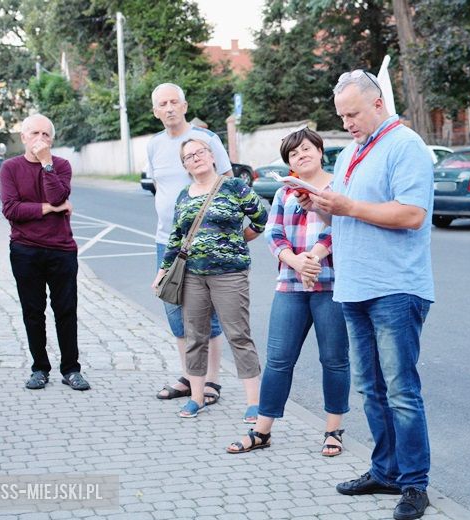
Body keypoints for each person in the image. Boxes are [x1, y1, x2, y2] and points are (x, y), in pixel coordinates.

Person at [298, 70, 435, 520]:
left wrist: (347, 206)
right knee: (371, 389)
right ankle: (385, 470)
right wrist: (318, 203)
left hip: (395, 287)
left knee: (400, 390)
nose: (347, 123)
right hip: (353, 286)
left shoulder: (405, 145)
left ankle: (415, 484)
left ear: (378, 104)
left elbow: (412, 214)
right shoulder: (352, 151)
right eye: (341, 116)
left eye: (353, 114)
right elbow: (346, 212)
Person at [226, 128, 350, 456]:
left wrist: (315, 257)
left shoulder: (340, 187)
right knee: (279, 359)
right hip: (291, 286)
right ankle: (262, 430)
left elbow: (344, 227)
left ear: (320, 151)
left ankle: (334, 430)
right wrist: (297, 261)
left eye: (306, 149)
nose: (301, 156)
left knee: (334, 360)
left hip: (333, 286)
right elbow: (273, 232)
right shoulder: (285, 193)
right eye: (294, 154)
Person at [152, 138, 267, 421]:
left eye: (200, 152)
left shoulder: (234, 187)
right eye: (189, 156)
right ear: (185, 165)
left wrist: (238, 240)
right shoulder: (184, 195)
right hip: (192, 276)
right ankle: (196, 397)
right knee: (195, 337)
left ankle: (254, 402)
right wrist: (163, 270)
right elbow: (177, 237)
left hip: (230, 275)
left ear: (212, 156)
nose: (196, 158)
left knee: (238, 335)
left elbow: (260, 218)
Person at [147, 83, 230, 405]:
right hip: (165, 240)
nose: (168, 108)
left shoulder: (207, 140)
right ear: (155, 111)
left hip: (203, 240)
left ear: (184, 105)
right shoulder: (153, 146)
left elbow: (225, 181)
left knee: (206, 314)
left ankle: (212, 381)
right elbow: (159, 187)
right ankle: (189, 376)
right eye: (162, 104)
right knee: (174, 310)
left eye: (173, 102)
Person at [0, 114, 90, 391]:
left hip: (61, 250)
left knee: (66, 310)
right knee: (33, 311)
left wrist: (46, 164)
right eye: (34, 133)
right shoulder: (10, 168)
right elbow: (11, 209)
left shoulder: (60, 165)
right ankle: (39, 368)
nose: (40, 139)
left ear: (52, 139)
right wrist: (48, 210)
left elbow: (57, 196)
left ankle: (71, 369)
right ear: (23, 137)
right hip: (26, 250)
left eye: (46, 135)